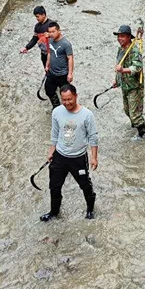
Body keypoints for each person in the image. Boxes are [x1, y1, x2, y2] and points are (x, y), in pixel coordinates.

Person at [41, 84, 98, 222]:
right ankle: (54, 212)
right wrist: (51, 151)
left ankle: (90, 209)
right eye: (64, 100)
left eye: (69, 99)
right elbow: (55, 133)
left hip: (78, 158)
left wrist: (94, 158)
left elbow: (93, 137)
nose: (67, 103)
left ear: (76, 96)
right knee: (54, 186)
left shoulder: (87, 115)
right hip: (60, 156)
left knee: (85, 185)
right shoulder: (57, 112)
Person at [113, 24, 145, 139]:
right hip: (125, 85)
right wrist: (116, 80)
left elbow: (137, 67)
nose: (120, 39)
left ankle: (142, 135)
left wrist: (123, 70)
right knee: (127, 111)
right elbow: (119, 64)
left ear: (128, 37)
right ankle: (135, 127)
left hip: (134, 87)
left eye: (122, 36)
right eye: (119, 36)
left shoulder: (134, 50)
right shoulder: (120, 49)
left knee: (135, 115)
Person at [45, 22, 74, 108]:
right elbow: (49, 53)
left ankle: (69, 108)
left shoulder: (66, 44)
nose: (51, 34)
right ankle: (56, 106)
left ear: (59, 31)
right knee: (48, 90)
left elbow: (70, 58)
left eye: (53, 31)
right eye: (49, 32)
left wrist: (70, 73)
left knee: (67, 94)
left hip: (62, 74)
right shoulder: (50, 40)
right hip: (52, 72)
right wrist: (47, 65)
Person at [20, 5, 53, 69]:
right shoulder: (37, 27)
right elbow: (35, 39)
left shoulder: (51, 25)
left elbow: (57, 37)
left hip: (53, 53)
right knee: (47, 70)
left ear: (43, 15)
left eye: (38, 16)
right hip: (44, 53)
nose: (37, 18)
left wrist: (49, 35)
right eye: (36, 17)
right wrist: (27, 47)